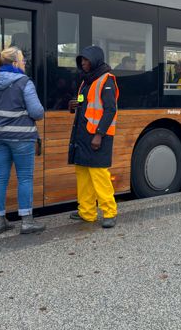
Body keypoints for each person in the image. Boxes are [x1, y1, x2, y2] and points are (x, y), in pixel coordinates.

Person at [0, 46, 45, 234]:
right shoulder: (24, 82)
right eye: (23, 61)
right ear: (15, 63)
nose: (24, 64)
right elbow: (37, 112)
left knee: (0, 176)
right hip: (21, 137)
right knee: (24, 177)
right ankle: (27, 222)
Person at [67, 46, 119, 228]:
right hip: (82, 135)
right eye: (81, 60)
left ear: (96, 60)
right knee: (83, 174)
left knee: (99, 174)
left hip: (97, 137)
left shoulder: (106, 80)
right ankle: (87, 212)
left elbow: (110, 109)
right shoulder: (87, 81)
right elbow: (86, 101)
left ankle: (109, 212)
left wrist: (99, 135)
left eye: (86, 60)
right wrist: (75, 104)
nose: (83, 63)